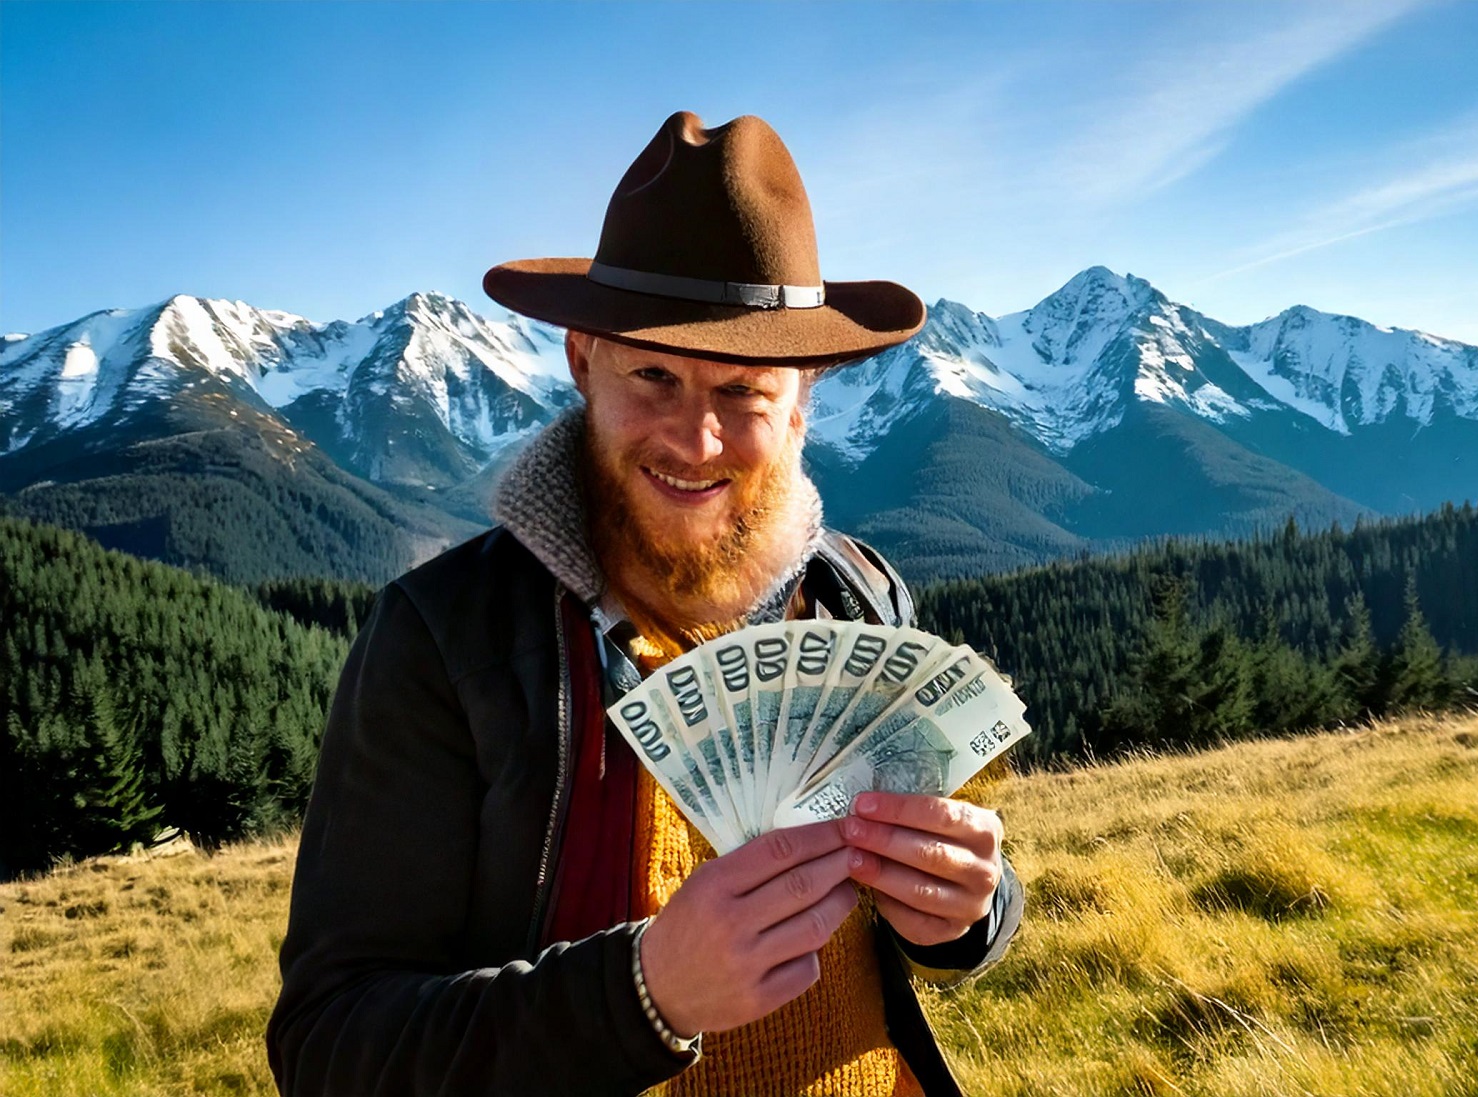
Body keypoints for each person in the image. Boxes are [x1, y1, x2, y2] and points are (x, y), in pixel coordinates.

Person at [266, 110, 1023, 1097]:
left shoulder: (858, 593)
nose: (695, 438)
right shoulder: (444, 638)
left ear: (804, 400)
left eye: (744, 393)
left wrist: (971, 913)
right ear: (583, 361)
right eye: (654, 376)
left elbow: (951, 907)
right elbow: (332, 1046)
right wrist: (640, 995)